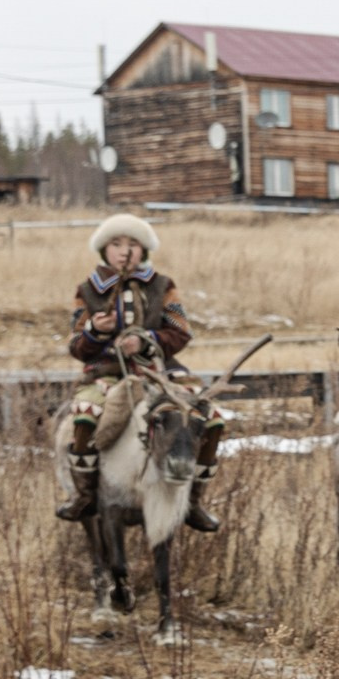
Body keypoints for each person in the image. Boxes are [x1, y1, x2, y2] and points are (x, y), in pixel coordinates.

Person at [56, 213, 222, 530]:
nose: (125, 251)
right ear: (104, 249)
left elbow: (181, 333)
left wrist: (147, 341)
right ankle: (85, 496)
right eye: (116, 244)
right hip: (106, 373)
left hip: (162, 372)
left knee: (211, 417)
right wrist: (96, 332)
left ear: (143, 250)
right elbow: (77, 346)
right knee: (86, 414)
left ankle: (194, 501)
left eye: (133, 244)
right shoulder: (87, 290)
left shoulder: (163, 286)